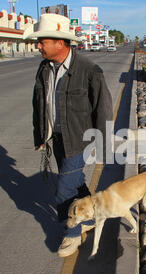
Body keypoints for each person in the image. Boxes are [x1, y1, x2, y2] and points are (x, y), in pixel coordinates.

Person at [27, 14, 113, 257]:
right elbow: (39, 104)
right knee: (75, 183)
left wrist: (102, 145)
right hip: (57, 137)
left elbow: (103, 108)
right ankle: (94, 214)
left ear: (60, 43)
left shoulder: (89, 70)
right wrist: (41, 135)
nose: (38, 46)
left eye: (43, 41)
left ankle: (73, 234)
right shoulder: (44, 68)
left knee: (63, 189)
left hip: (80, 140)